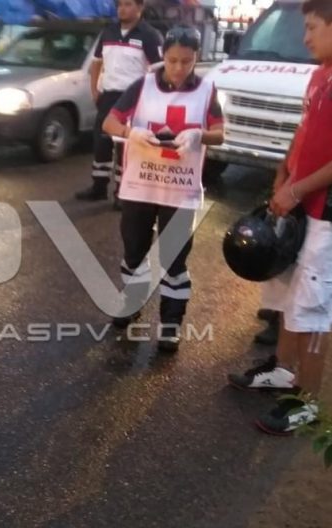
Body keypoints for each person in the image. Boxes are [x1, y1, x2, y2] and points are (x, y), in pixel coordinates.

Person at [227, 0, 332, 435]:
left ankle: (308, 401)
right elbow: (304, 130)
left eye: (312, 28)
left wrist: (297, 190)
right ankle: (283, 371)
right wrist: (282, 173)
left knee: (314, 305)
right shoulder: (320, 74)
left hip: (326, 213)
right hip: (300, 205)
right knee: (289, 293)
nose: (304, 37)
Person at [102, 25, 224, 352]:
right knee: (134, 252)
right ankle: (132, 302)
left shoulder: (207, 90)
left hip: (180, 189)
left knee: (174, 259)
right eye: (172, 60)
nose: (179, 68)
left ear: (197, 57)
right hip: (140, 186)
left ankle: (171, 324)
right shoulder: (142, 85)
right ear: (163, 57)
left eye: (187, 61)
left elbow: (220, 133)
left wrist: (199, 134)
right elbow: (109, 122)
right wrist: (130, 133)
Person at [76, 0, 164, 204]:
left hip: (133, 100)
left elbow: (159, 71)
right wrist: (94, 90)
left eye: (128, 4)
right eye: (120, 5)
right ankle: (98, 187)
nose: (122, 9)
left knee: (127, 147)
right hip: (108, 97)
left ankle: (122, 193)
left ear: (140, 8)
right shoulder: (109, 32)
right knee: (102, 142)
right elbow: (97, 63)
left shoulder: (150, 35)